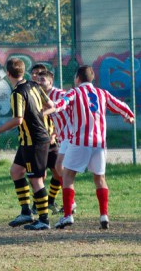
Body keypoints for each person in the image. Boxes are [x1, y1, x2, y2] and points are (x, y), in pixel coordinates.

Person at [50, 65, 134, 229]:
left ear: (77, 79)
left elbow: (62, 103)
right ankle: (104, 216)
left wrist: (50, 107)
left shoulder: (74, 92)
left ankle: (67, 216)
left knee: (67, 176)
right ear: (93, 78)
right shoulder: (102, 93)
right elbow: (120, 105)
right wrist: (129, 116)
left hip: (80, 141)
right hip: (99, 143)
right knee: (100, 178)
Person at [0, 58, 53, 230]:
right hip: (28, 140)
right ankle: (26, 212)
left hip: (34, 141)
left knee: (36, 180)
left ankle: (44, 220)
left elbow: (18, 120)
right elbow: (51, 104)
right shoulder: (34, 85)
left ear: (8, 74)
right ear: (24, 71)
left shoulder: (17, 93)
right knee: (16, 171)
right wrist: (38, 115)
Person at [37, 70, 77, 214]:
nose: (39, 82)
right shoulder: (42, 96)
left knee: (60, 169)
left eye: (42, 79)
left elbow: (66, 105)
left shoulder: (59, 94)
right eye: (37, 79)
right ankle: (69, 204)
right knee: (60, 170)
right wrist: (54, 132)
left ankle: (69, 204)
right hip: (62, 136)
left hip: (70, 136)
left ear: (50, 81)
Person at [30, 64, 62, 215]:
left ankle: (50, 201)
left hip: (51, 140)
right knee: (39, 175)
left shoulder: (57, 95)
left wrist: (55, 134)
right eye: (34, 74)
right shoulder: (29, 93)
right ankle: (37, 205)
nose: (36, 77)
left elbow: (60, 114)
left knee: (58, 171)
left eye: (40, 75)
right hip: (36, 141)